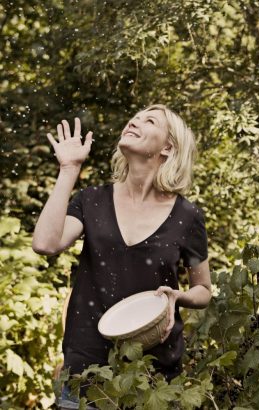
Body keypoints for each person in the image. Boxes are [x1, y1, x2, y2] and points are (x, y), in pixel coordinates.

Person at [32, 105, 211, 407]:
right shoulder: (91, 201)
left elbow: (203, 290)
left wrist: (177, 296)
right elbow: (46, 243)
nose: (135, 120)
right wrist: (68, 170)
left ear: (168, 147)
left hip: (152, 378)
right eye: (135, 117)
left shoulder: (187, 216)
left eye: (149, 120)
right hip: (85, 373)